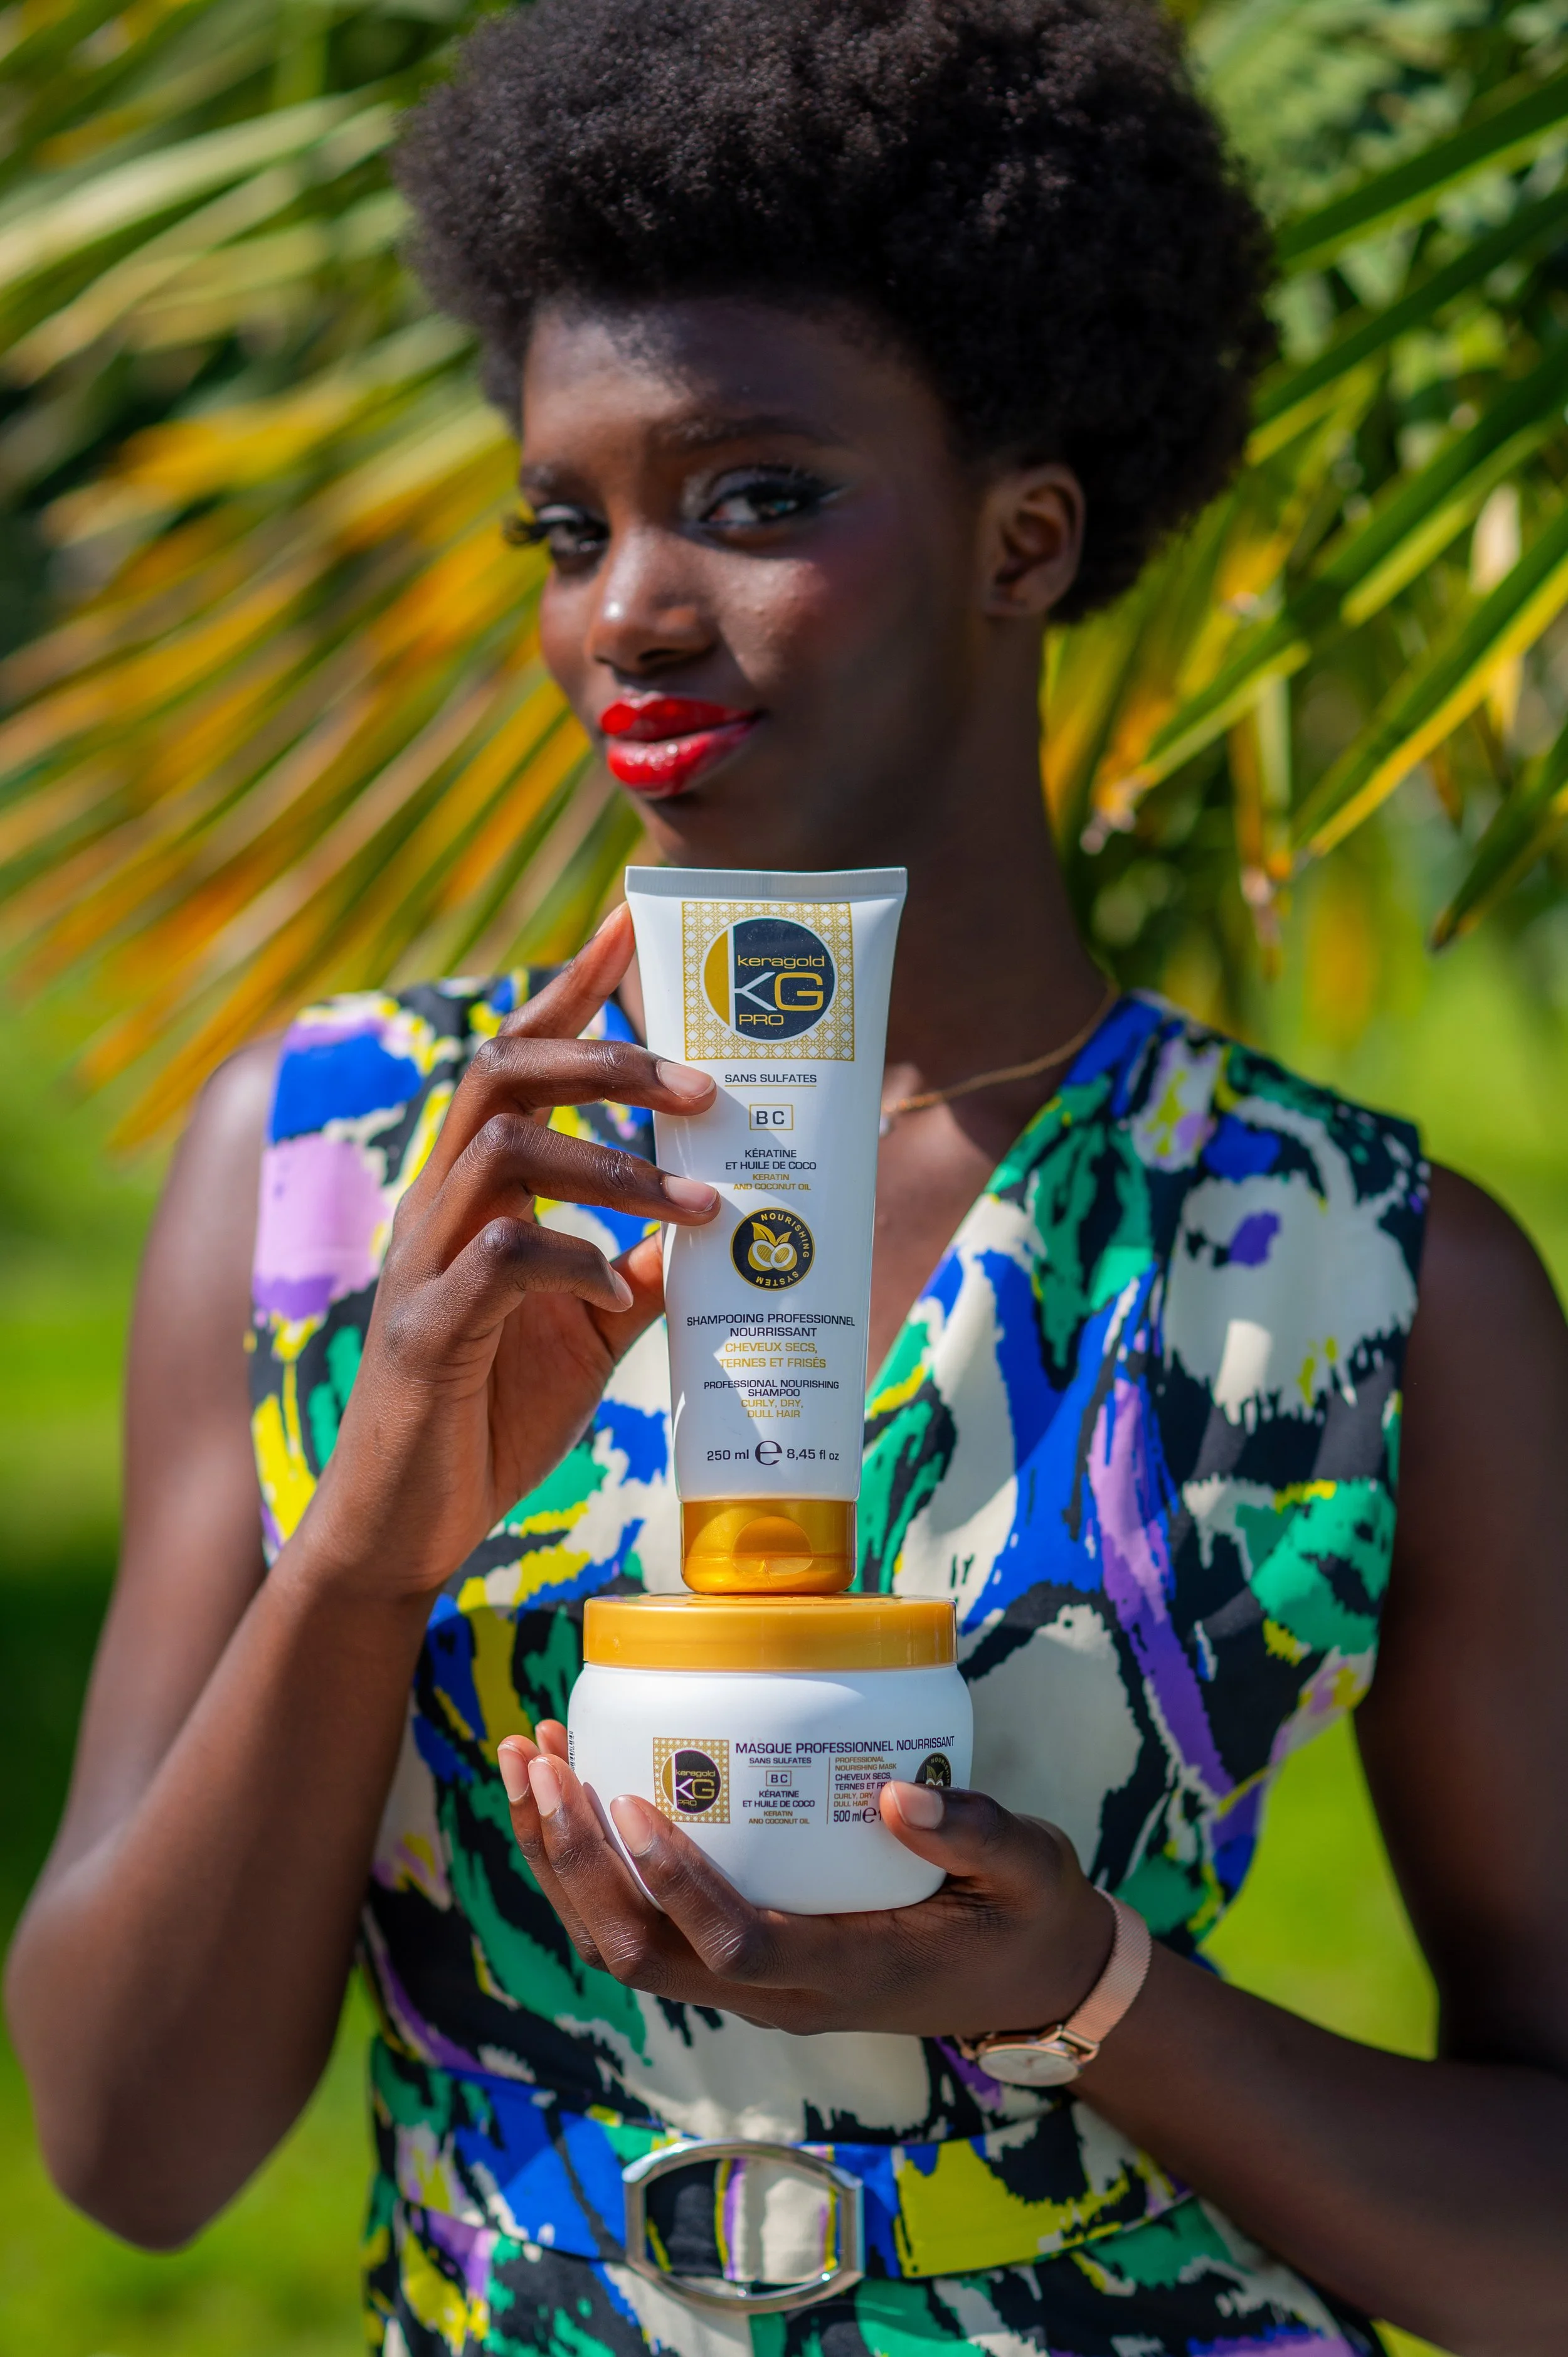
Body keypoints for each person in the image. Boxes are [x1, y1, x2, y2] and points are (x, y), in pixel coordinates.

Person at [8, 0, 1568, 2349]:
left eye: (751, 497)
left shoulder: (1352, 1268)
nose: (627, 607)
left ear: (1022, 536)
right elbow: (131, 2150)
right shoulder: (340, 1172)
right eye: (569, 525)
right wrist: (367, 1543)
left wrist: (1088, 1990)